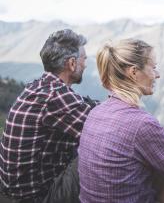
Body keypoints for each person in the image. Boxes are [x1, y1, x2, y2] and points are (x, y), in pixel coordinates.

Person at [78, 39, 164, 203]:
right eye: (153, 67)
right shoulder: (141, 123)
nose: (157, 74)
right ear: (134, 72)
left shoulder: (96, 112)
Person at [0, 29, 98, 203]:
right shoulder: (55, 95)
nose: (86, 64)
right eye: (84, 59)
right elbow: (107, 127)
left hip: (13, 192)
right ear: (72, 63)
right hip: (36, 198)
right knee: (103, 149)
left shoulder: (39, 86)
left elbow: (82, 104)